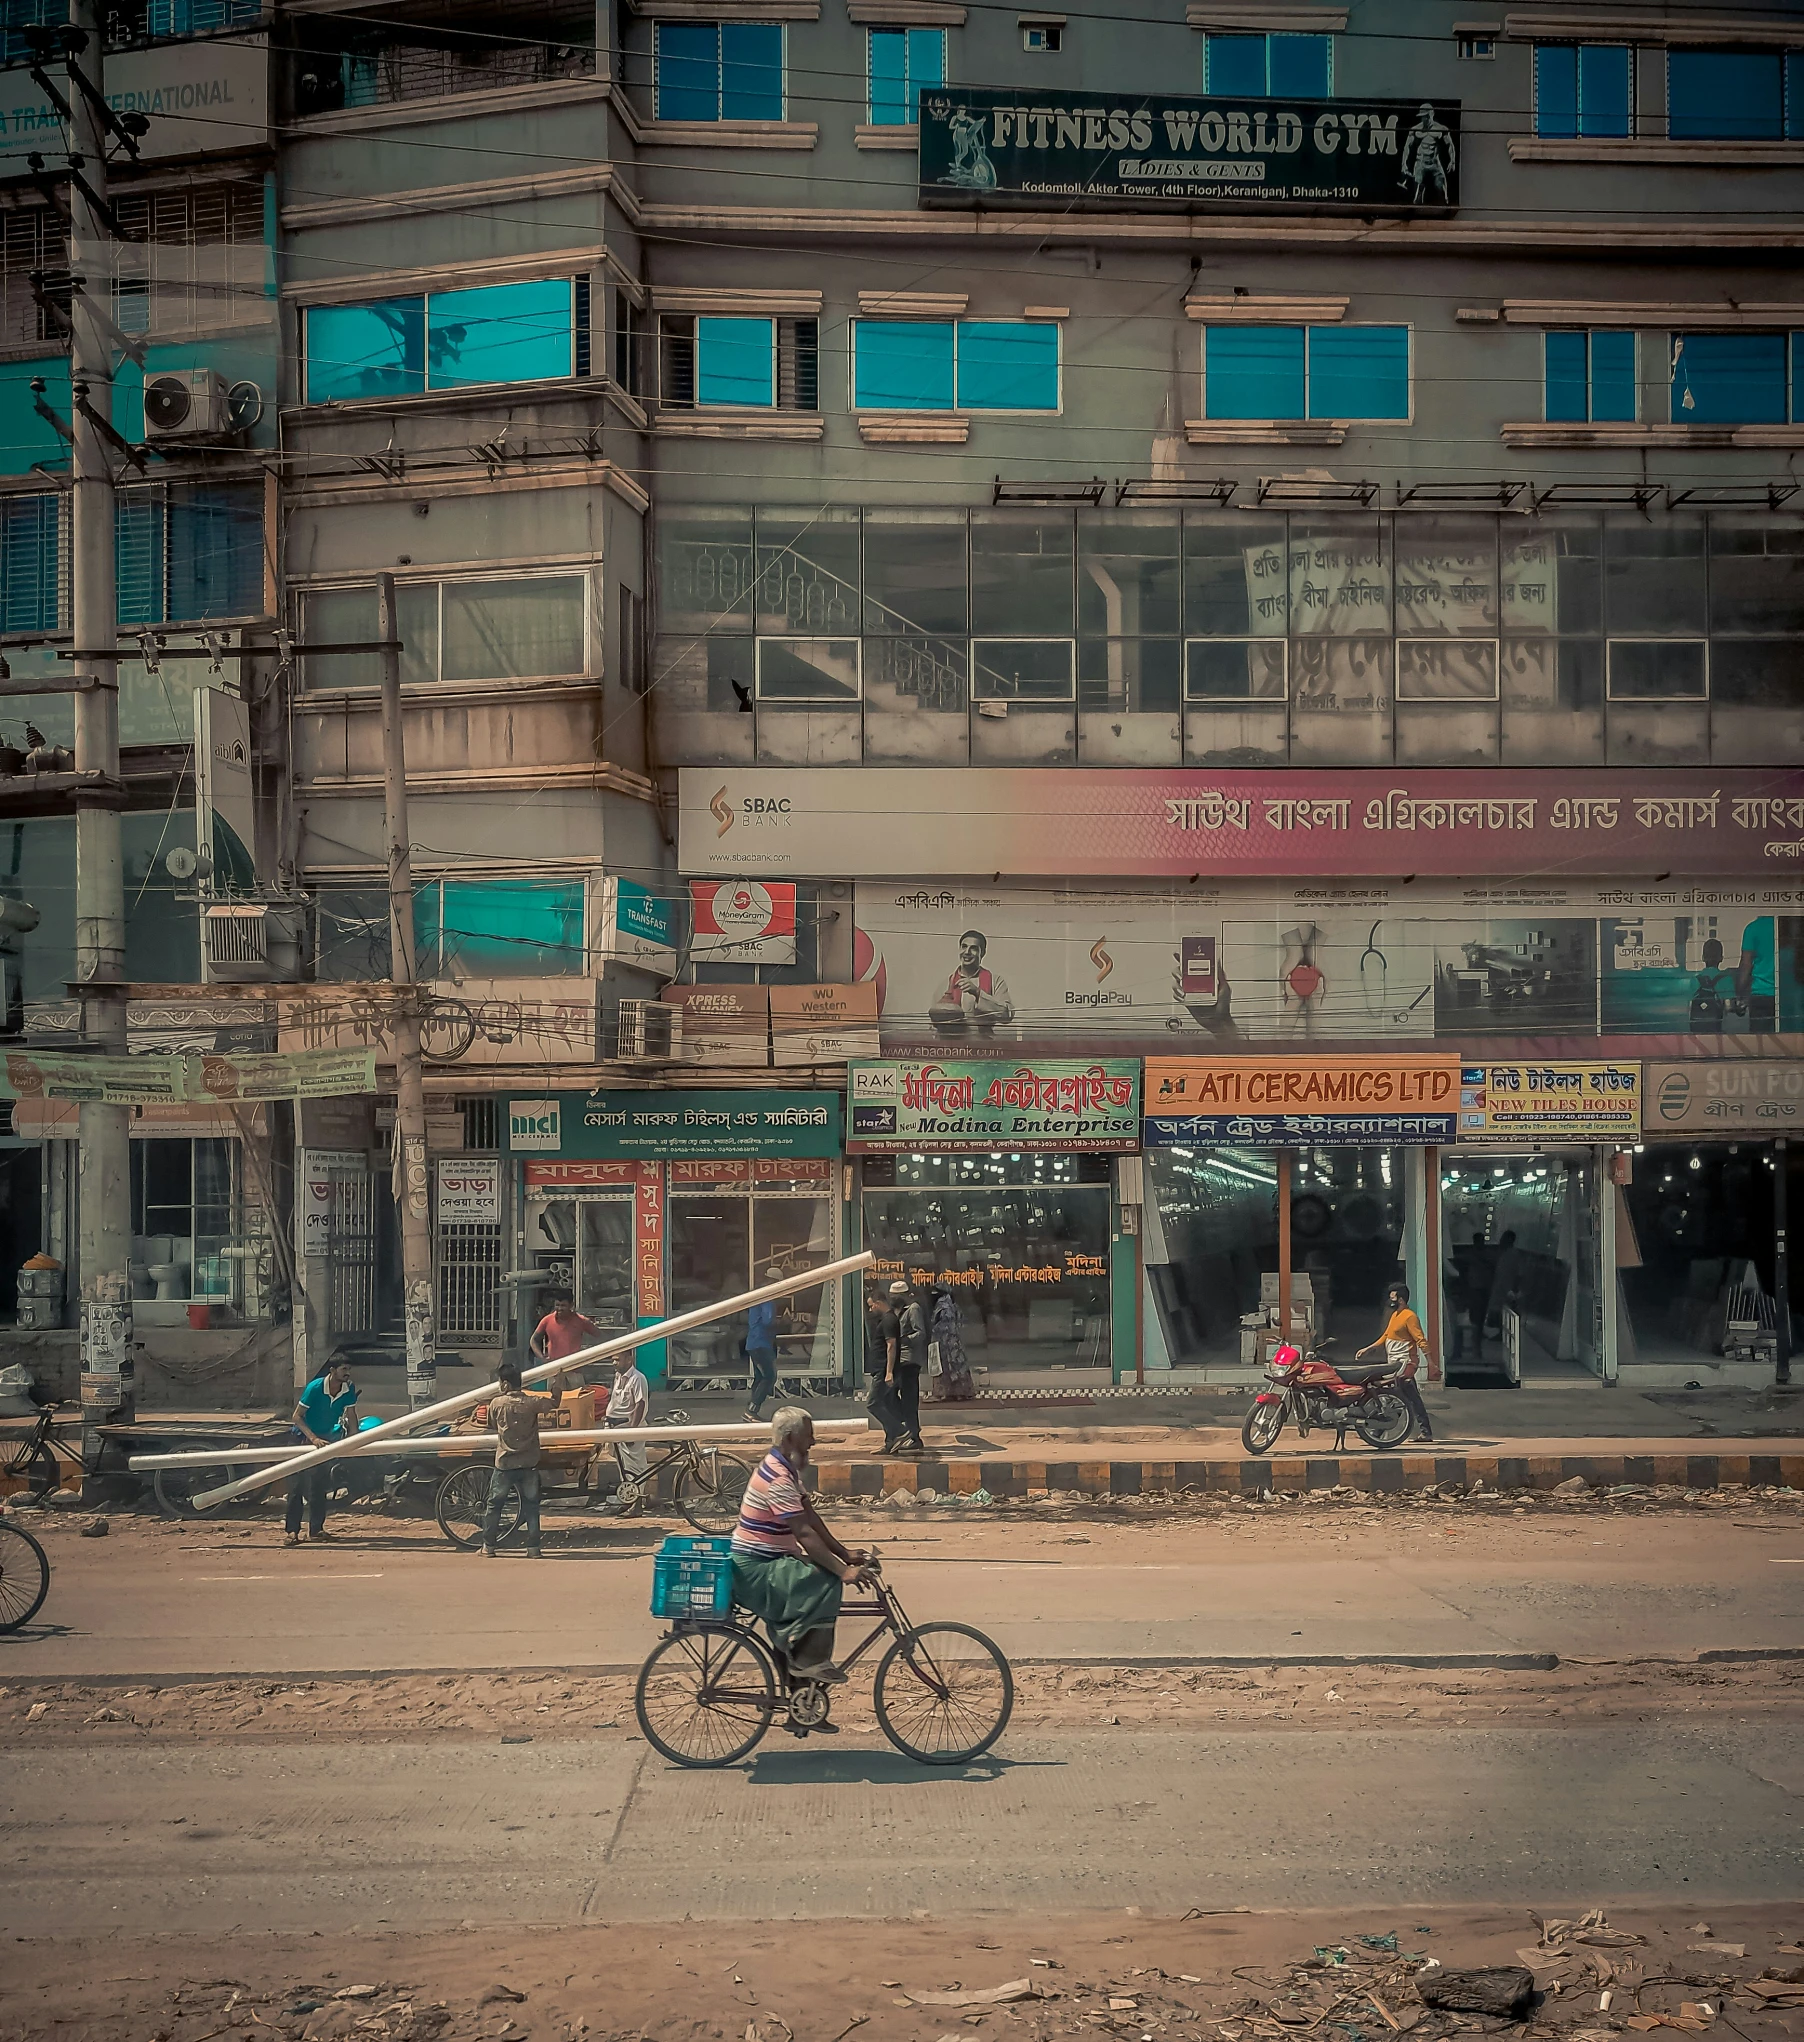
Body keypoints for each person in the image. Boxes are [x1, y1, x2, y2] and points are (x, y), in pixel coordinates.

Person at [730, 1406, 875, 1682]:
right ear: (788, 1440)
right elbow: (804, 1534)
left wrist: (844, 1554)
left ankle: (799, 1682)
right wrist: (843, 1571)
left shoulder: (786, 1470)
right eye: (807, 1436)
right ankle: (808, 1661)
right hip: (756, 1569)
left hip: (772, 1561)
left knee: (824, 1573)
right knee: (827, 1580)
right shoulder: (778, 1479)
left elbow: (810, 1517)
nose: (813, 1442)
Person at [285, 1357, 358, 1544]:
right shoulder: (315, 1388)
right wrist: (313, 1439)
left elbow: (351, 1415)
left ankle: (316, 1530)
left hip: (324, 1439)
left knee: (318, 1486)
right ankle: (292, 1532)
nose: (347, 1372)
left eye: (349, 1368)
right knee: (296, 1487)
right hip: (302, 1438)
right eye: (343, 1368)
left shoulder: (348, 1389)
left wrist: (354, 1440)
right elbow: (297, 1417)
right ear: (332, 1370)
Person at [1354, 1281, 1435, 1444]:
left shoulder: (1410, 1317)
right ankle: (1380, 1430)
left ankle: (1382, 1431)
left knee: (1405, 1396)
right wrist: (1368, 1349)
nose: (1390, 1300)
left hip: (1405, 1364)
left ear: (1400, 1299)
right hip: (1394, 1364)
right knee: (1399, 1396)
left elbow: (1420, 1340)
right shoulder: (1395, 1315)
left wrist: (1431, 1363)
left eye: (1393, 1297)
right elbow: (1386, 1336)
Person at [483, 1358, 545, 1558]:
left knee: (494, 1506)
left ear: (505, 1384)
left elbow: (492, 1425)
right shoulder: (532, 1402)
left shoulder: (497, 1403)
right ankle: (533, 1548)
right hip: (528, 1462)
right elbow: (553, 1403)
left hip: (505, 1463)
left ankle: (488, 1547)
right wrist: (559, 1383)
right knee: (532, 1506)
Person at [929, 930, 1014, 1038]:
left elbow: (1007, 1016)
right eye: (964, 946)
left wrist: (978, 993)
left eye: (973, 948)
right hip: (953, 1046)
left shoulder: (995, 981)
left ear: (982, 953)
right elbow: (933, 1022)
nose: (967, 952)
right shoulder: (947, 983)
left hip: (983, 1045)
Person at [603, 1344, 651, 1508]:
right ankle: (630, 1500)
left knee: (635, 1468)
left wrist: (632, 1430)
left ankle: (636, 1504)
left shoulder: (638, 1378)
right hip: (615, 1429)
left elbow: (640, 1404)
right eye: (613, 1360)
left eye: (617, 1360)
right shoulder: (618, 1376)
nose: (614, 1363)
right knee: (624, 1467)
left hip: (628, 1429)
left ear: (629, 1359)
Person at [864, 1278, 904, 1452]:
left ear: (879, 1303)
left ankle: (900, 1431)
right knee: (887, 1404)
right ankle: (890, 1442)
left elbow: (891, 1345)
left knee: (873, 1403)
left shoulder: (888, 1321)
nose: (871, 1309)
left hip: (884, 1370)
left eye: (872, 1305)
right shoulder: (887, 1320)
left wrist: (888, 1372)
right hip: (881, 1369)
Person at [889, 1277, 928, 1452]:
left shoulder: (913, 1309)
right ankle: (902, 1432)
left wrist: (903, 1340)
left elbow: (920, 1334)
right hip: (898, 1361)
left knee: (909, 1400)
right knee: (890, 1398)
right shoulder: (895, 1312)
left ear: (903, 1295)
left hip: (909, 1361)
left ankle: (914, 1437)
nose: (892, 1298)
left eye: (895, 1295)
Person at [530, 1290, 600, 1383]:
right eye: (557, 1305)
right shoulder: (547, 1320)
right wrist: (542, 1358)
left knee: (576, 1397)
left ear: (571, 1305)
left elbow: (601, 1336)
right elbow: (533, 1340)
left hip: (575, 1371)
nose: (559, 1308)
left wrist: (590, 1355)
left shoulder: (581, 1321)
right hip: (554, 1372)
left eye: (563, 1305)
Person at [927, 1283, 974, 1402]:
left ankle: (942, 1393)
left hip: (944, 1342)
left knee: (943, 1367)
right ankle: (959, 1393)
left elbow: (944, 1326)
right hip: (954, 1343)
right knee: (957, 1367)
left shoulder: (943, 1306)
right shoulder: (952, 1305)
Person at [745, 1271, 781, 1421]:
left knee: (760, 1377)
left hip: (753, 1343)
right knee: (769, 1376)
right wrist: (783, 1322)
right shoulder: (767, 1298)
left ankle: (750, 1410)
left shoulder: (758, 1295)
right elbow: (768, 1321)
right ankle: (751, 1410)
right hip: (762, 1343)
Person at [1736, 917, 1777, 1032]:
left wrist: (1739, 993)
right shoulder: (1785, 925)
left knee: (1760, 1042)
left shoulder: (1753, 928)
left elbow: (1746, 964)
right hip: (1787, 994)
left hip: (1761, 993)